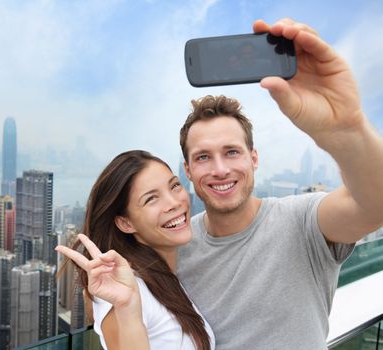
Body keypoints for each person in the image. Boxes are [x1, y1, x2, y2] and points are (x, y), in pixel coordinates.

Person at [176, 18, 383, 350]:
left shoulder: (303, 222)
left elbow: (375, 204)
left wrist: (347, 128)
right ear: (187, 169)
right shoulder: (177, 247)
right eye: (203, 158)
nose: (219, 169)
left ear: (253, 158)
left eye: (232, 152)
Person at [56, 150, 215, 350]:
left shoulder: (165, 276)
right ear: (126, 223)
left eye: (174, 186)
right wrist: (127, 307)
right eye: (151, 199)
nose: (174, 203)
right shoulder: (122, 293)